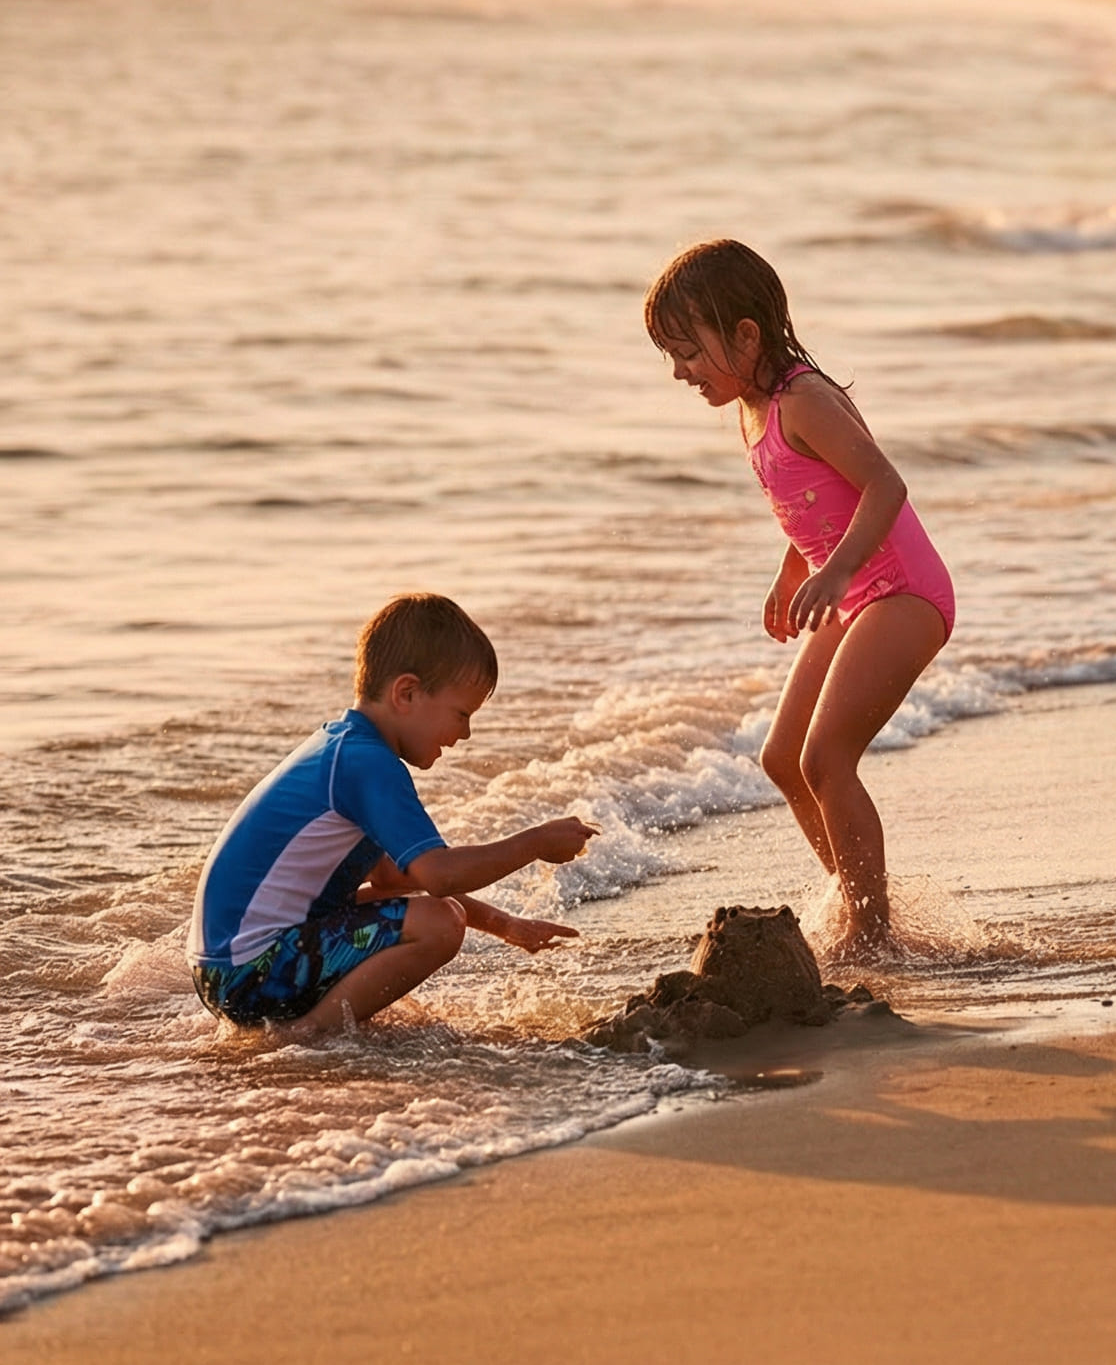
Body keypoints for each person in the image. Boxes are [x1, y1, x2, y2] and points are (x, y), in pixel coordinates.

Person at [644, 238, 953, 946]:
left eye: (688, 352)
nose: (678, 372)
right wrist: (794, 568)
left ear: (746, 335)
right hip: (855, 591)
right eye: (671, 355)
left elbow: (884, 485)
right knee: (783, 759)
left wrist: (836, 571)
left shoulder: (805, 398)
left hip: (899, 591)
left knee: (826, 759)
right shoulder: (755, 409)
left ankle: (871, 934)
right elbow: (819, 500)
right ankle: (858, 898)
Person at [187, 593, 597, 1034]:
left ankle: (308, 1022)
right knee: (439, 924)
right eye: (461, 714)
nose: (466, 733)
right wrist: (534, 843)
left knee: (422, 908)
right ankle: (305, 1035)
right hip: (252, 970)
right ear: (407, 693)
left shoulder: (343, 747)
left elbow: (395, 881)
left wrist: (507, 925)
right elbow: (441, 877)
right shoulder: (368, 763)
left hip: (226, 968)